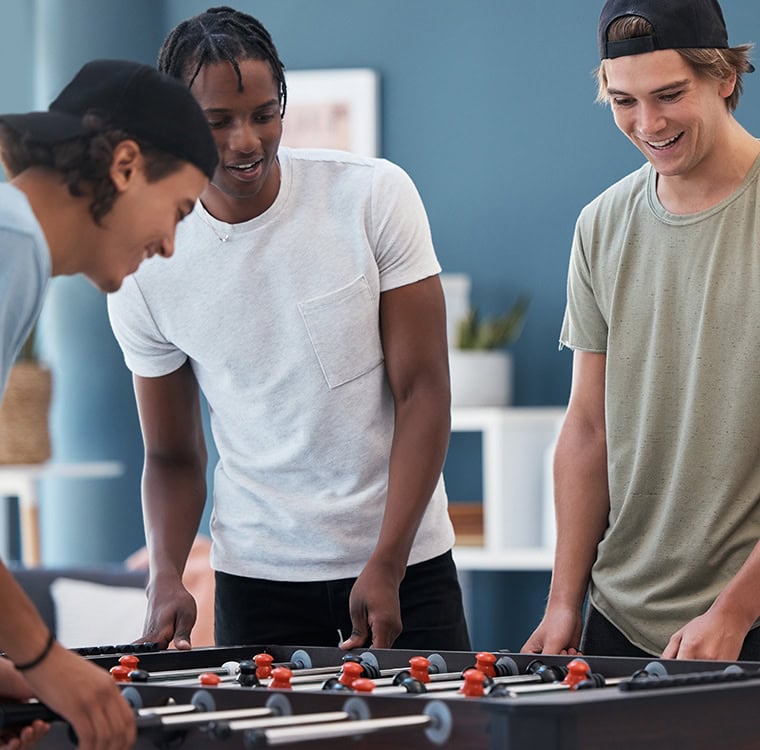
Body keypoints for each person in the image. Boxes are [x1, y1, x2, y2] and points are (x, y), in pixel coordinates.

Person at [107, 6, 471, 653]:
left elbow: (424, 394)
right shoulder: (147, 262)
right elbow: (171, 455)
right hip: (257, 580)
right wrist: (165, 575)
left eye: (263, 113)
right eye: (217, 122)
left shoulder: (372, 196)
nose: (246, 141)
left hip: (404, 566)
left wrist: (386, 561)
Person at [522, 0, 760, 662]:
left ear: (725, 78)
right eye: (624, 101)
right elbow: (588, 428)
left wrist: (737, 611)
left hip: (746, 613)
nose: (648, 124)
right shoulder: (601, 225)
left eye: (669, 95)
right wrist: (565, 602)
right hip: (618, 616)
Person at [0, 58, 217, 749]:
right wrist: (45, 662)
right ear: (124, 165)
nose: (170, 244)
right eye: (179, 210)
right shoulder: (12, 246)